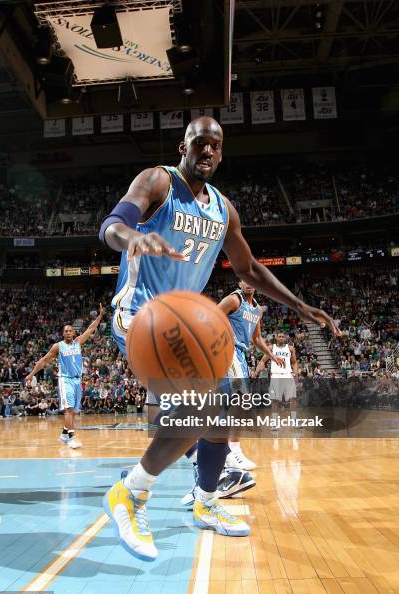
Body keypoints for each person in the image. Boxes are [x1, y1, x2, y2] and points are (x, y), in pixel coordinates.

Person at [99, 116, 340, 561]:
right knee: (197, 400)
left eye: (215, 145)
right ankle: (130, 494)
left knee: (221, 406)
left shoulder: (224, 209)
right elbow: (112, 224)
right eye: (199, 143)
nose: (206, 151)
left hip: (182, 324)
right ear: (183, 146)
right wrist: (130, 235)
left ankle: (207, 502)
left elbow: (247, 269)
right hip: (138, 314)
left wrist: (300, 305)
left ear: (222, 153)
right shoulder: (158, 181)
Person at [180, 279, 286, 509]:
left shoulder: (256, 309)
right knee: (236, 401)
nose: (249, 283)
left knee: (232, 404)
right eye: (245, 280)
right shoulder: (233, 299)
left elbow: (256, 339)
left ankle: (228, 455)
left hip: (241, 356)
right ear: (240, 281)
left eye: (252, 280)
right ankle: (229, 456)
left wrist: (272, 354)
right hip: (226, 351)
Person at [25, 305, 105, 449]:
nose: (68, 332)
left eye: (70, 331)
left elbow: (90, 329)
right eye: (66, 331)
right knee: (68, 409)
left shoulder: (78, 342)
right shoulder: (58, 347)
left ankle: (64, 434)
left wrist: (99, 317)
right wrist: (31, 374)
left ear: (74, 333)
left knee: (73, 411)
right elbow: (43, 361)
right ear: (63, 334)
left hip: (77, 380)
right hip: (65, 379)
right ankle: (71, 439)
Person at [253, 331, 298, 420]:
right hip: (275, 375)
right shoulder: (271, 348)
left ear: (285, 338)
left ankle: (294, 419)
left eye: (283, 336)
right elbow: (262, 361)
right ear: (276, 338)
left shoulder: (290, 348)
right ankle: (274, 421)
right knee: (275, 400)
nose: (281, 338)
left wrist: (295, 373)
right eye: (279, 336)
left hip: (287, 374)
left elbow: (295, 362)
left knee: (293, 398)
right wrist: (256, 372)